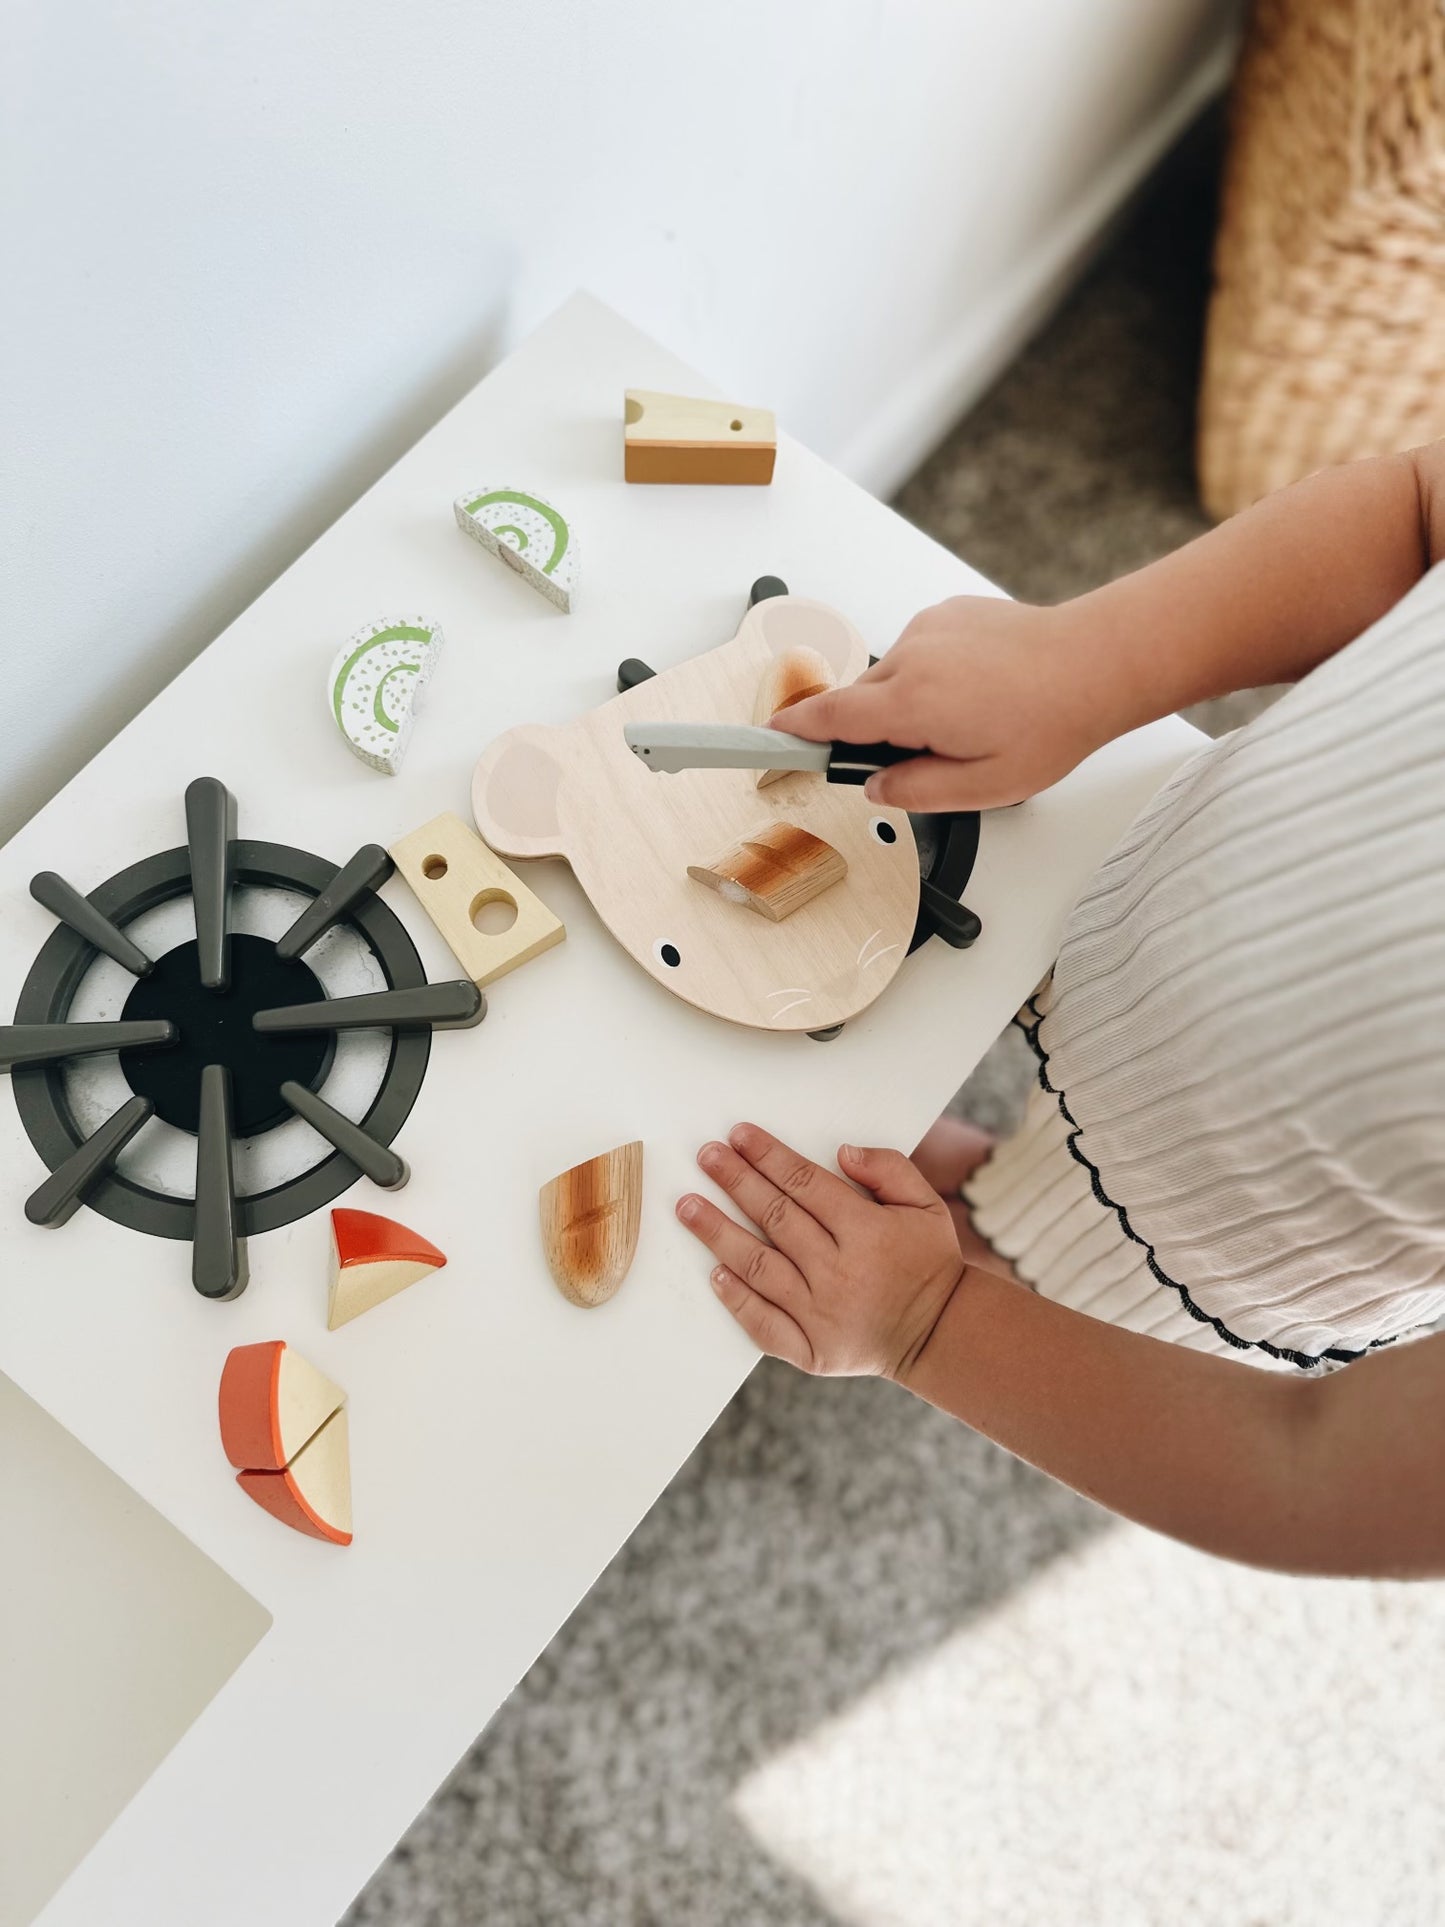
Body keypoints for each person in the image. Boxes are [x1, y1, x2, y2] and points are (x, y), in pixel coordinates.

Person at [675, 439, 1445, 1581]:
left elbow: (1316, 1472)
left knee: (1055, 1260)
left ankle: (989, 1232)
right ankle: (997, 1182)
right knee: (1023, 1133)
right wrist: (1088, 660)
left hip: (1249, 1215)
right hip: (1153, 891)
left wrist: (925, 1316)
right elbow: (1417, 510)